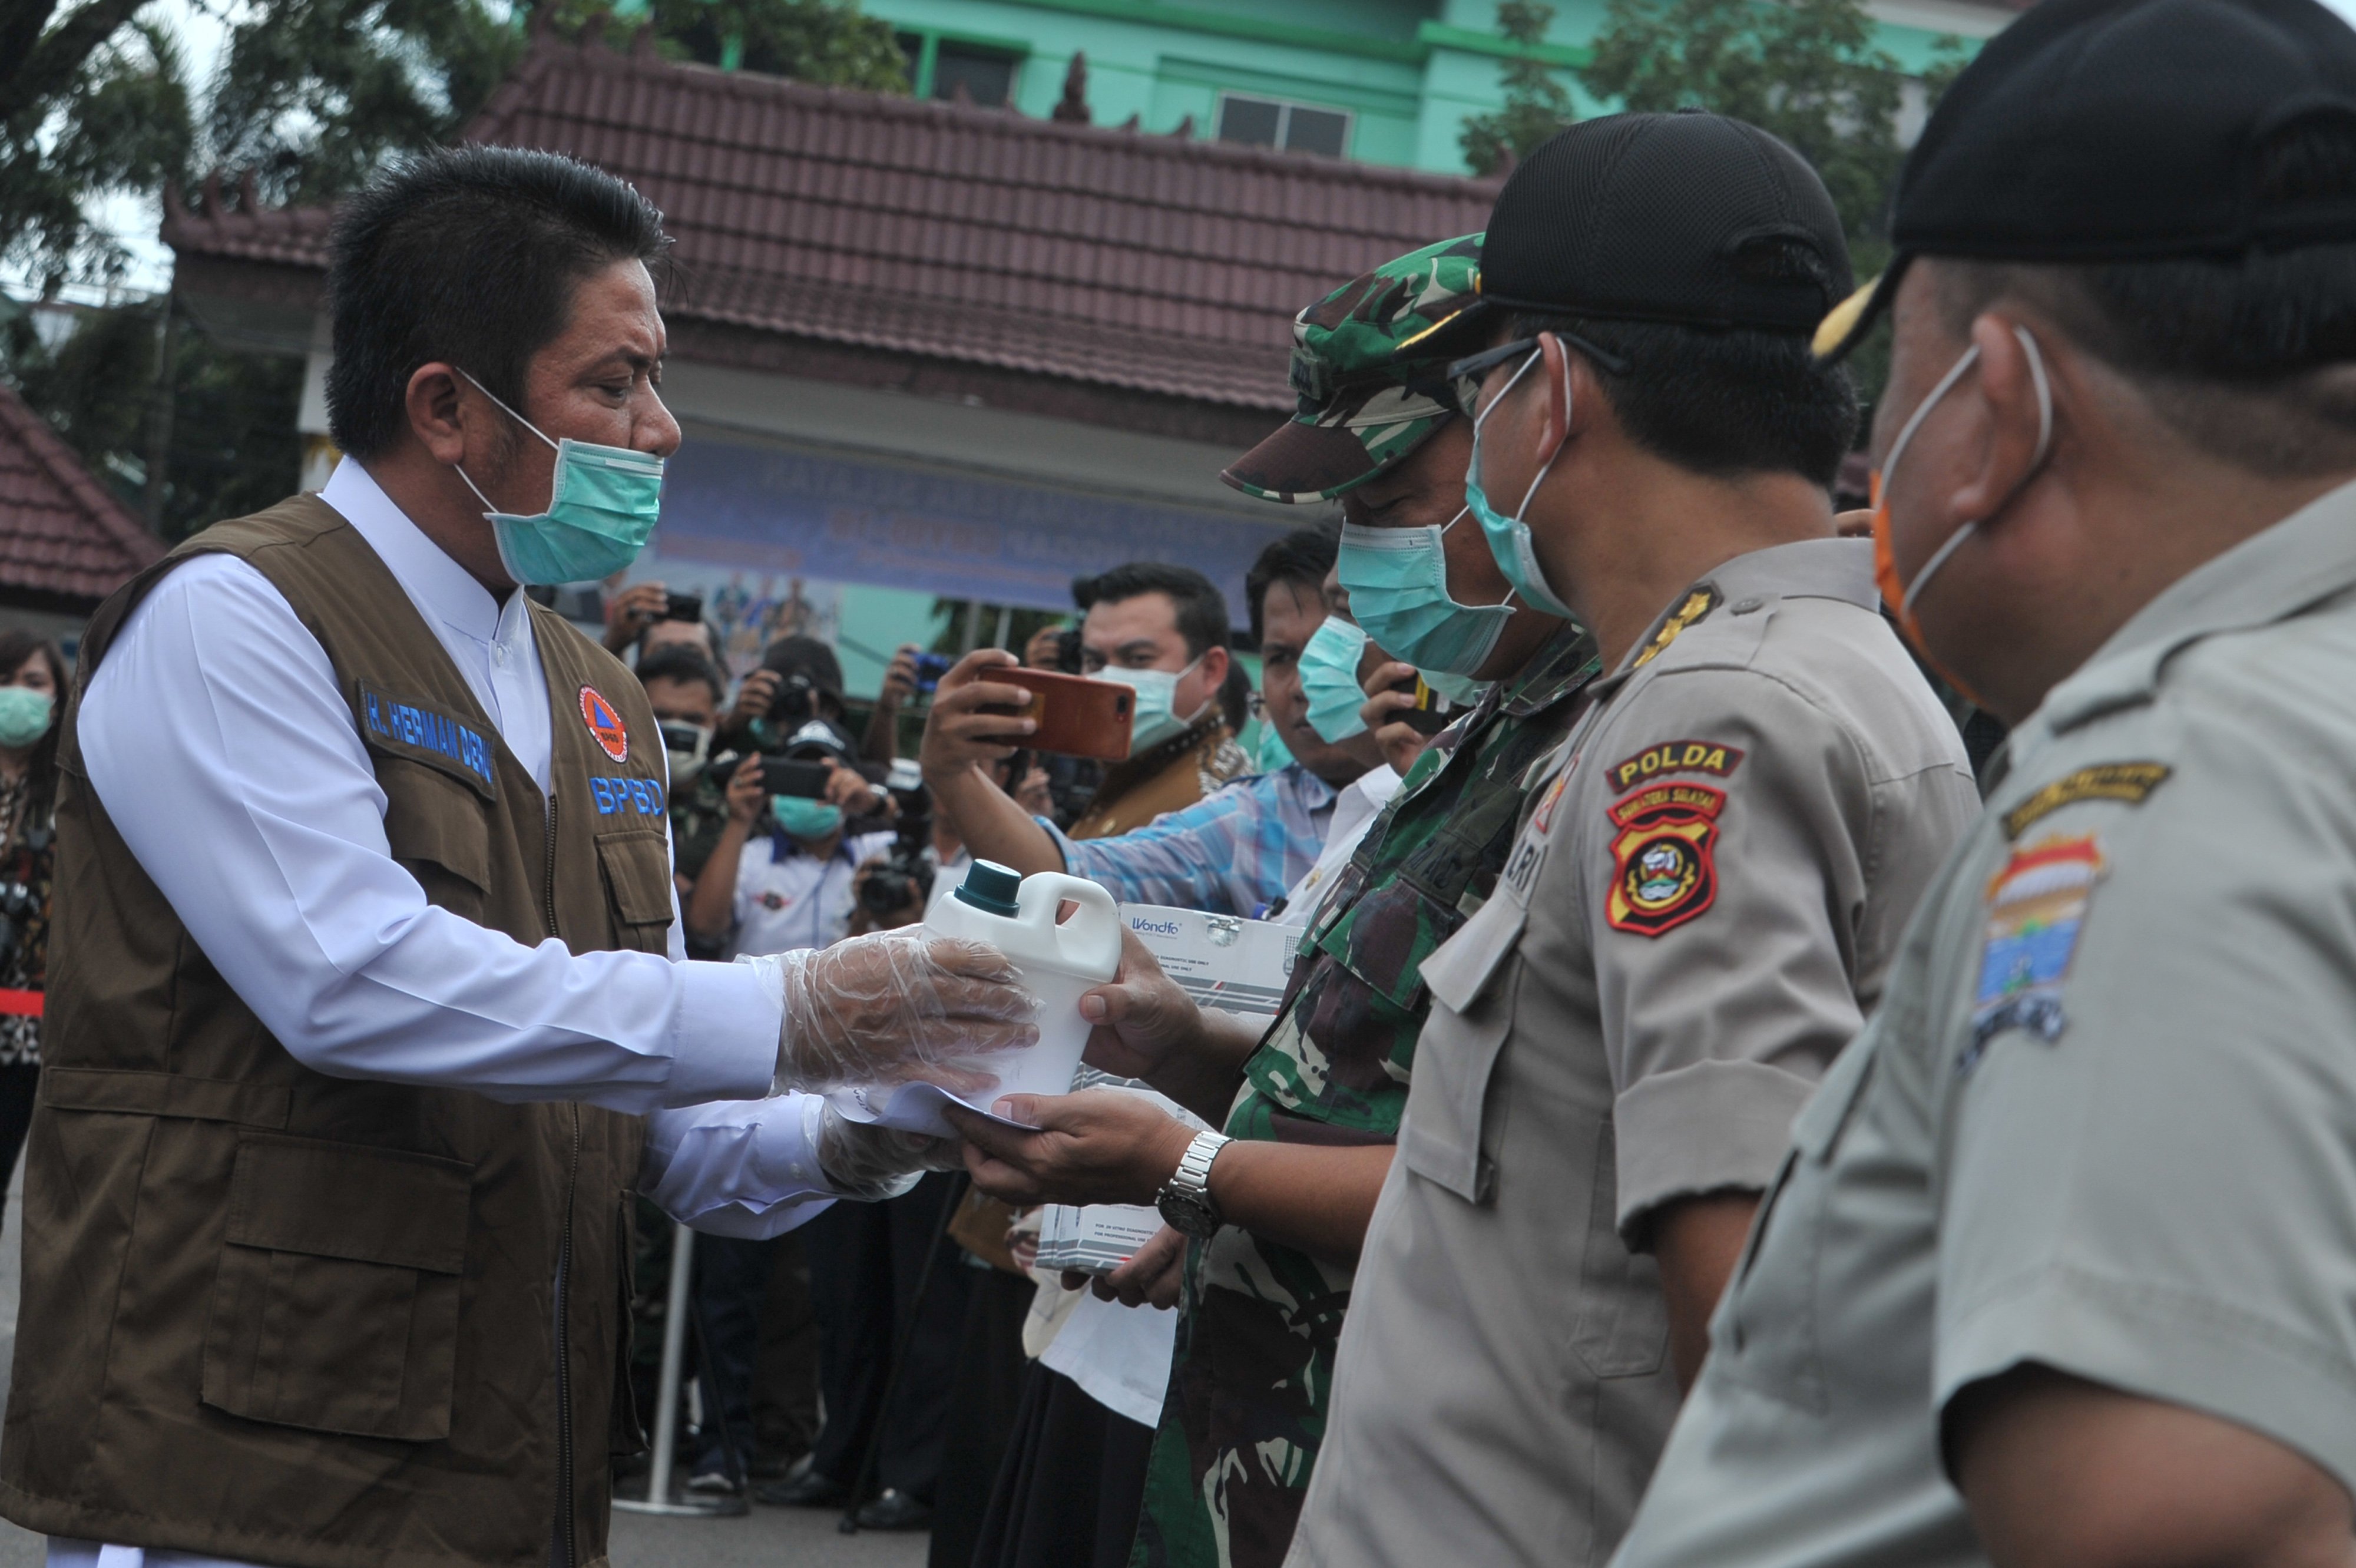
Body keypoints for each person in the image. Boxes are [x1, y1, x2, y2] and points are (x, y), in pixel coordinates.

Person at [0, 147, 1036, 1568]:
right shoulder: (240, 617)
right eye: (611, 383)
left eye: (653, 380)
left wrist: (878, 1118)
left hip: (502, 1484)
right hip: (244, 1480)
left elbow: (661, 1124)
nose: (661, 428)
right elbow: (349, 980)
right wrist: (799, 1010)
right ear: (445, 406)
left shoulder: (593, 693)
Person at [1612, 6, 2356, 1567]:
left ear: (1998, 404)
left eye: (1898, 372)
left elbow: (2166, 1514)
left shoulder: (2175, 778)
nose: (1873, 444)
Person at [1283, 114, 1981, 1568]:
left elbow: (1757, 1321)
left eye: (1476, 392)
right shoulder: (1760, 673)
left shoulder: (1713, 722)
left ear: (1544, 393)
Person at [947, 232, 1603, 1568]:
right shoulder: (1506, 728)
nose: (1366, 570)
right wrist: (1185, 1043)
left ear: (1535, 426)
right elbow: (1391, 1087)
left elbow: (1535, 1178)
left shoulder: (1644, 731)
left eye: (1394, 498)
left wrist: (1187, 1166)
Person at [924, 540, 1384, 920]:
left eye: (1138, 660)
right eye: (1281, 657)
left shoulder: (1206, 789)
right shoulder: (1245, 819)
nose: (1305, 686)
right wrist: (953, 771)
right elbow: (1069, 883)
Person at [926, 564, 1249, 862]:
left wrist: (951, 772)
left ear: (1211, 671)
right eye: (1094, 661)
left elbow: (1068, 893)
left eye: (1138, 659)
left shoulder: (1210, 805)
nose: (1108, 679)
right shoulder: (1136, 769)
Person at [685, 718, 895, 960]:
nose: (808, 792)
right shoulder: (752, 856)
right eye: (797, 775)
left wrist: (872, 804)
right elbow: (704, 928)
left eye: (820, 778)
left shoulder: (876, 852)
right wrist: (739, 821)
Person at [0, 631, 64, 1220]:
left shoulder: (70, 800)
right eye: (6, 680)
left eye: (34, 682)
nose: (17, 694)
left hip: (21, 1029)